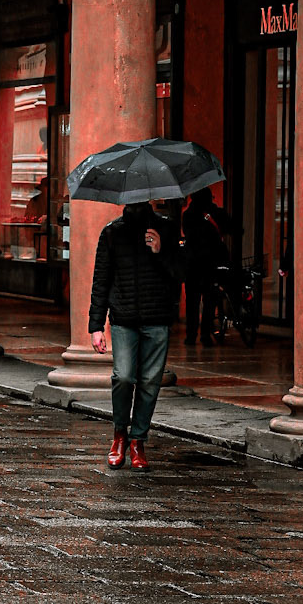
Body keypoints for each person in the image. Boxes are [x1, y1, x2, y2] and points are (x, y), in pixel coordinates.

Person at [89, 198, 184, 471]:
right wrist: (96, 326)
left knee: (150, 382)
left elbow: (181, 273)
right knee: (124, 376)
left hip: (157, 318)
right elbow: (101, 280)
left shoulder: (166, 229)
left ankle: (137, 440)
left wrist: (161, 250)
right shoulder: (112, 232)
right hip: (124, 319)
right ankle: (120, 434)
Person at [182, 189, 226, 346]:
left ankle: (191, 335)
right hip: (210, 264)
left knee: (192, 304)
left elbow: (188, 236)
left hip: (193, 265)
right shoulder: (212, 212)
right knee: (209, 302)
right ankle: (206, 335)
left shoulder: (188, 215)